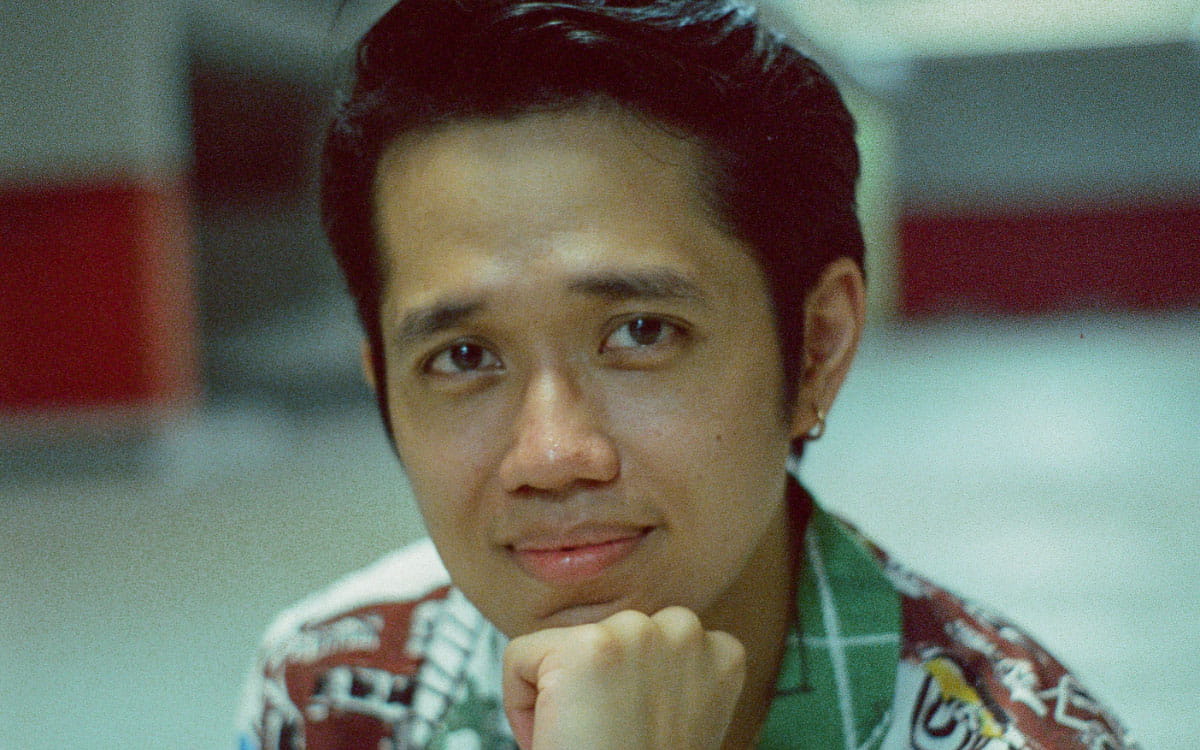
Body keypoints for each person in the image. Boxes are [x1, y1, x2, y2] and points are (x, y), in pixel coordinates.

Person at [237, 1, 1138, 748]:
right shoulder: (330, 693)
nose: (551, 455)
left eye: (641, 332)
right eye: (464, 357)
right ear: (384, 385)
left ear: (816, 349)